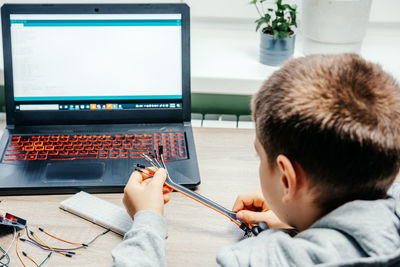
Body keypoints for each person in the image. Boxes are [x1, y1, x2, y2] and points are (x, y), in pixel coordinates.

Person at [111, 54, 400, 266]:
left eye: (259, 155)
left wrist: (147, 221)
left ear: (287, 179)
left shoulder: (256, 261)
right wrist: (305, 219)